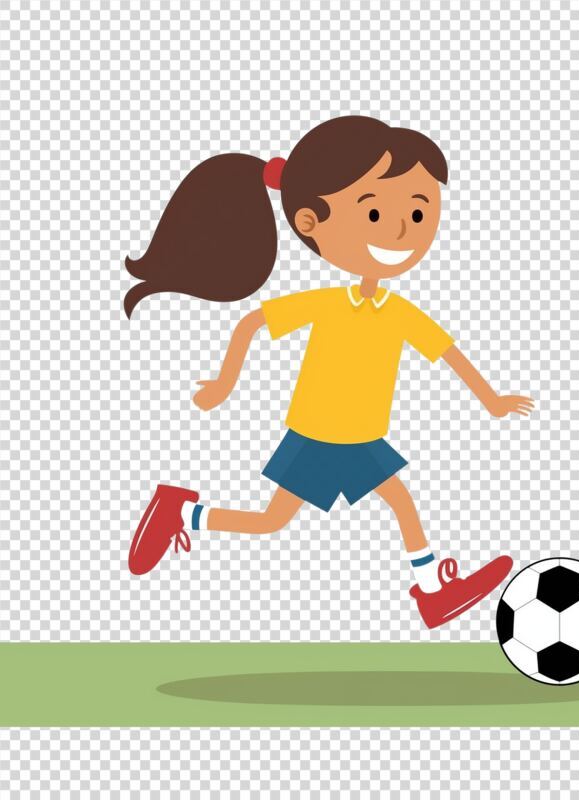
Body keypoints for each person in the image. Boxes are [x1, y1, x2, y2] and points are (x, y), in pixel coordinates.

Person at [126, 116, 534, 628]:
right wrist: (224, 384)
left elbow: (447, 353)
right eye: (375, 212)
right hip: (319, 435)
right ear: (310, 224)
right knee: (277, 521)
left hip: (361, 435)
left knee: (370, 507)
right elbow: (253, 322)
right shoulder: (326, 304)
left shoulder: (399, 310)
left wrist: (491, 399)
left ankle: (431, 591)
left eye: (418, 209)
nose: (404, 227)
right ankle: (181, 514)